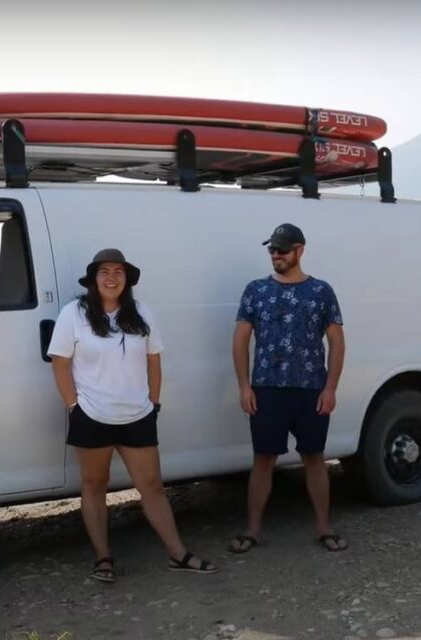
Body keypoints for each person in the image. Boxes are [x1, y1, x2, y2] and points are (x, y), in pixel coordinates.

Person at [48, 248, 217, 583]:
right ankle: (103, 558)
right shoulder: (74, 314)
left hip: (137, 415)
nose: (112, 278)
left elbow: (154, 362)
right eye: (105, 272)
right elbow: (60, 362)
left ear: (127, 280)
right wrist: (73, 407)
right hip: (92, 415)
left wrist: (153, 404)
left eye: (118, 272)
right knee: (95, 486)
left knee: (152, 487)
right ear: (94, 279)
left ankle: (177, 553)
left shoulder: (141, 313)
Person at [230, 224, 348, 554]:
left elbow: (337, 342)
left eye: (283, 249)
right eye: (272, 250)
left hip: (311, 388)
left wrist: (331, 388)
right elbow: (240, 340)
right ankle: (252, 530)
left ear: (300, 250)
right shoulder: (255, 290)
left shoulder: (321, 291)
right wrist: (243, 386)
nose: (276, 255)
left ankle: (323, 527)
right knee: (263, 459)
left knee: (314, 457)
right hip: (266, 388)